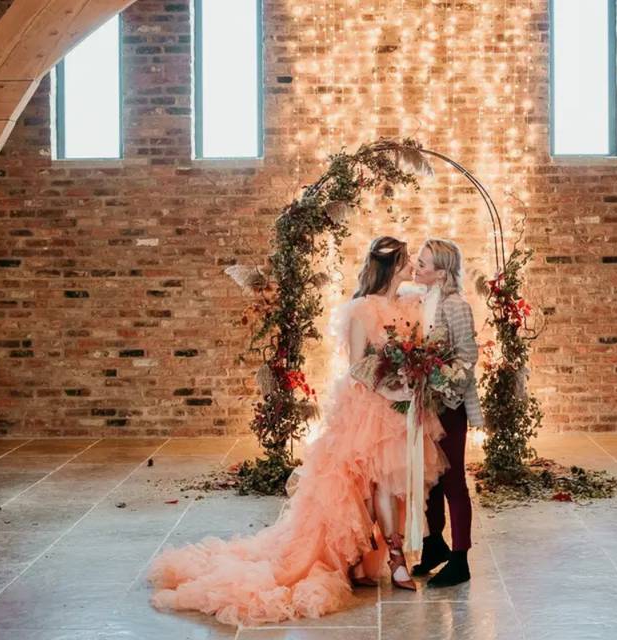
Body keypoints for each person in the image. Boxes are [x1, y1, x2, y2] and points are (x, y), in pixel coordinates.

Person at [147, 236, 449, 626]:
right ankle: (395, 559)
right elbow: (358, 365)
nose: (412, 267)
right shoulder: (361, 311)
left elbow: (421, 338)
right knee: (377, 483)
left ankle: (382, 556)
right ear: (394, 266)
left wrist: (413, 378)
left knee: (394, 485)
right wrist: (391, 387)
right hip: (369, 410)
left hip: (401, 408)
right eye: (408, 261)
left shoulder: (410, 302)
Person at [410, 238, 481, 587]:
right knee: (432, 477)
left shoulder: (456, 305)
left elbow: (468, 357)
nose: (416, 266)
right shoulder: (425, 299)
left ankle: (461, 557)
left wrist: (443, 380)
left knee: (453, 480)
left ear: (440, 272)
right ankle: (434, 543)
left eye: (423, 264)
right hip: (428, 405)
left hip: (449, 405)